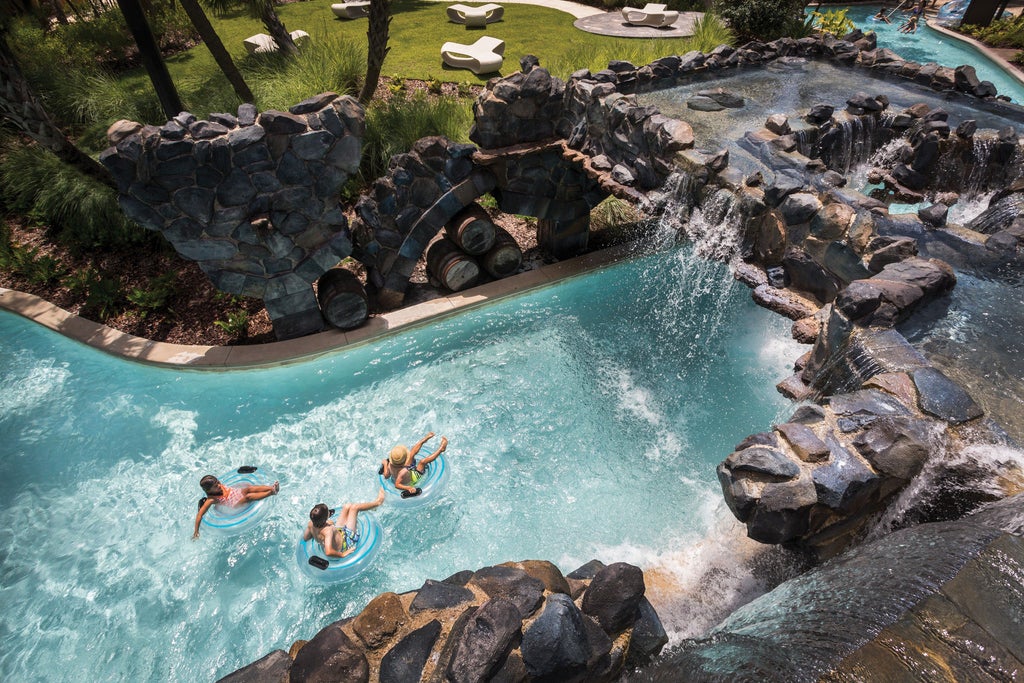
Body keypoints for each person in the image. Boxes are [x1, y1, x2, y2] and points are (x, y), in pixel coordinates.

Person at [303, 489, 385, 558]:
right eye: (328, 511)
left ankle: (371, 507)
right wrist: (342, 554)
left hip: (339, 532)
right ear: (325, 517)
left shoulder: (311, 524)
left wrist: (318, 533)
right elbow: (328, 552)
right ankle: (378, 503)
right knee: (355, 508)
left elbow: (306, 538)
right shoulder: (328, 531)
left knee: (347, 506)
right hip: (346, 542)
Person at [192, 474, 279, 538]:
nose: (219, 485)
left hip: (238, 493)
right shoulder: (211, 499)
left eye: (218, 482)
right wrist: (196, 531)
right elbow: (200, 514)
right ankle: (271, 493)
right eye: (215, 486)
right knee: (248, 497)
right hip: (235, 504)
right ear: (209, 490)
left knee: (249, 489)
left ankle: (271, 487)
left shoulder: (218, 485)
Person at [380, 431, 448, 498]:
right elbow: (397, 484)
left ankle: (424, 440)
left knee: (412, 453)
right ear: (404, 461)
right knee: (422, 462)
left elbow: (386, 475)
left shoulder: (390, 465)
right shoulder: (403, 472)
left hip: (406, 471)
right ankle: (441, 449)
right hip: (413, 479)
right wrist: (408, 488)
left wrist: (385, 464)